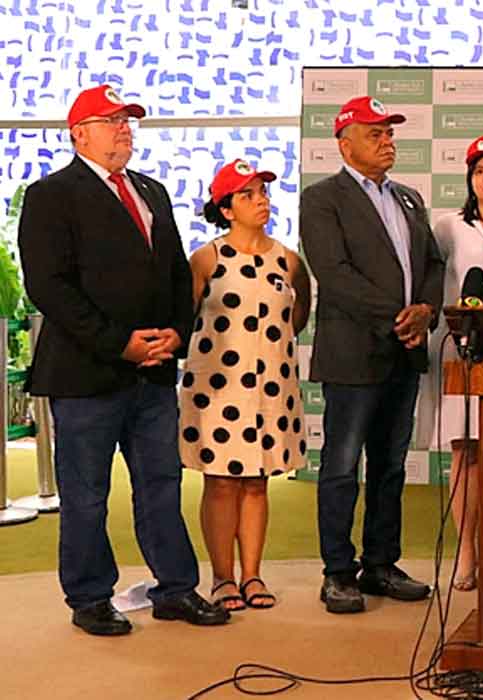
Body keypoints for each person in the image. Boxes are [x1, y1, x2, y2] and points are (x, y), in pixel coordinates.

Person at [18, 84, 230, 634]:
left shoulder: (152, 192)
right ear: (78, 133)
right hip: (87, 374)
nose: (124, 129)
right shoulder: (50, 194)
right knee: (86, 495)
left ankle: (176, 589)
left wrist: (175, 335)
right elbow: (50, 287)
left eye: (128, 121)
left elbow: (175, 275)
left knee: (161, 484)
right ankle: (90, 599)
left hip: (155, 371)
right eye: (111, 121)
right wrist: (119, 343)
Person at [300, 95, 445, 614]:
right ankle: (338, 571)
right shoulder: (323, 198)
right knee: (341, 467)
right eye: (375, 133)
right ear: (345, 143)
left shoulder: (408, 198)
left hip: (405, 353)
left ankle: (381, 563)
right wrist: (399, 316)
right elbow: (333, 274)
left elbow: (432, 260)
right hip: (354, 355)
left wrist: (426, 307)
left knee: (390, 467)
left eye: (389, 132)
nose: (388, 141)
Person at [182, 159, 311, 610]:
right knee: (221, 483)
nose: (261, 201)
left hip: (273, 387)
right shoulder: (207, 258)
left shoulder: (288, 260)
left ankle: (253, 575)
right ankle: (222, 578)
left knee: (257, 482)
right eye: (247, 195)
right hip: (218, 388)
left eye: (262, 192)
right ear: (226, 208)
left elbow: (299, 316)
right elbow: (184, 316)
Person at [422, 134, 483, 592]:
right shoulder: (448, 227)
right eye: (479, 170)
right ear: (469, 180)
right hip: (460, 351)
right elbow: (427, 280)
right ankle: (467, 551)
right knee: (465, 450)